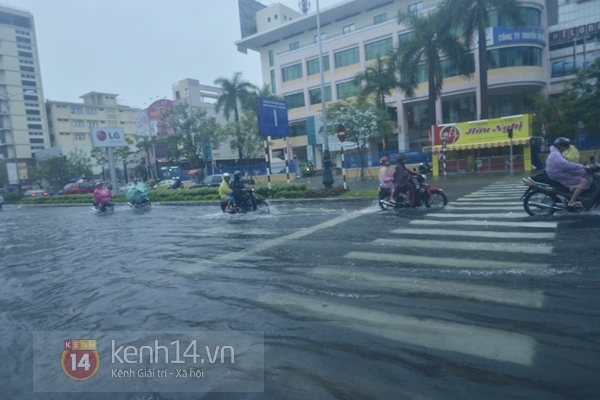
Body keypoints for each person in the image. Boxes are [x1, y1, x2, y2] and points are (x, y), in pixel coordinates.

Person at [546, 137, 591, 208]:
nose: (566, 147)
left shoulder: (556, 152)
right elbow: (566, 165)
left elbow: (566, 162)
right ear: (559, 146)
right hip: (558, 173)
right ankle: (572, 201)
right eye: (564, 146)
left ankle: (573, 190)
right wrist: (581, 166)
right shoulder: (556, 154)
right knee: (584, 181)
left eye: (567, 145)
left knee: (580, 173)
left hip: (558, 171)